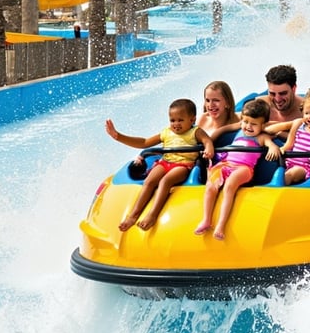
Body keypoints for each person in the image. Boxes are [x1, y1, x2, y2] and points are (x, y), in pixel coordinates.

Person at [105, 98, 214, 232]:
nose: (176, 124)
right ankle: (133, 215)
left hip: (183, 165)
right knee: (150, 181)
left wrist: (208, 149)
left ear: (192, 120)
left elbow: (207, 140)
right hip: (165, 162)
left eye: (180, 120)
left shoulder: (195, 131)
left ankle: (152, 214)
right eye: (172, 120)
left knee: (165, 181)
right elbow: (144, 142)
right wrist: (118, 136)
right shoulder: (166, 132)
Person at [196, 99, 279, 240]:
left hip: (244, 168)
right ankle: (206, 219)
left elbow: (271, 145)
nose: (248, 126)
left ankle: (221, 225)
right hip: (226, 164)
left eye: (254, 124)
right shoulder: (239, 129)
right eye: (246, 122)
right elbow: (223, 130)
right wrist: (208, 142)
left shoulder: (261, 137)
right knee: (210, 186)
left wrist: (272, 147)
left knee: (229, 186)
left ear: (263, 125)